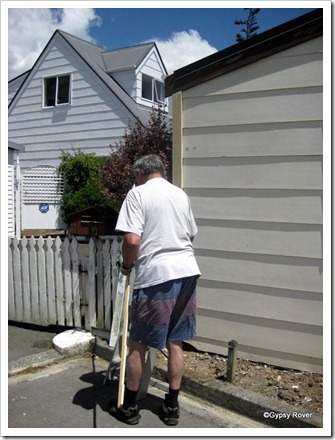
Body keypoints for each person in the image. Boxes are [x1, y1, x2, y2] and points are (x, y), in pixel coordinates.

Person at [109, 154, 201, 426]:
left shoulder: (137, 194)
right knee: (175, 341)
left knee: (138, 343)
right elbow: (191, 233)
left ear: (140, 174)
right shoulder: (179, 195)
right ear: (162, 170)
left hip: (157, 277)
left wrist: (127, 266)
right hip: (187, 271)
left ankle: (129, 407)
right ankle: (171, 406)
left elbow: (132, 239)